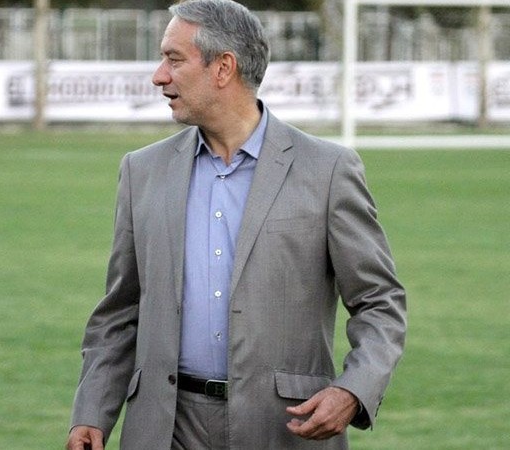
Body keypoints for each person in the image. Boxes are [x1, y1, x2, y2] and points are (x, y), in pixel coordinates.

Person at [65, 1, 407, 449]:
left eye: (173, 59)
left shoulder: (327, 170)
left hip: (283, 428)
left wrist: (353, 389)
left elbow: (379, 301)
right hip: (165, 429)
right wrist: (91, 412)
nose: (158, 76)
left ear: (223, 68)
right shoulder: (141, 170)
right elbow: (119, 312)